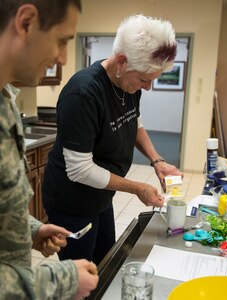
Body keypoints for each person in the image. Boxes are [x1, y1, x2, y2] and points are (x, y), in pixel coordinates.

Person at [42, 14, 183, 266]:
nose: (148, 88)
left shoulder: (128, 84)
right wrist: (137, 187)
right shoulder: (83, 94)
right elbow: (80, 170)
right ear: (121, 61)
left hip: (101, 195)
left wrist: (157, 160)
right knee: (82, 273)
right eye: (144, 79)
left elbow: (133, 120)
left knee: (107, 260)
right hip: (72, 201)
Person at [0, 1, 99, 299]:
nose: (62, 57)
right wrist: (60, 280)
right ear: (27, 22)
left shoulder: (5, 99)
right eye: (61, 40)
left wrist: (28, 229)